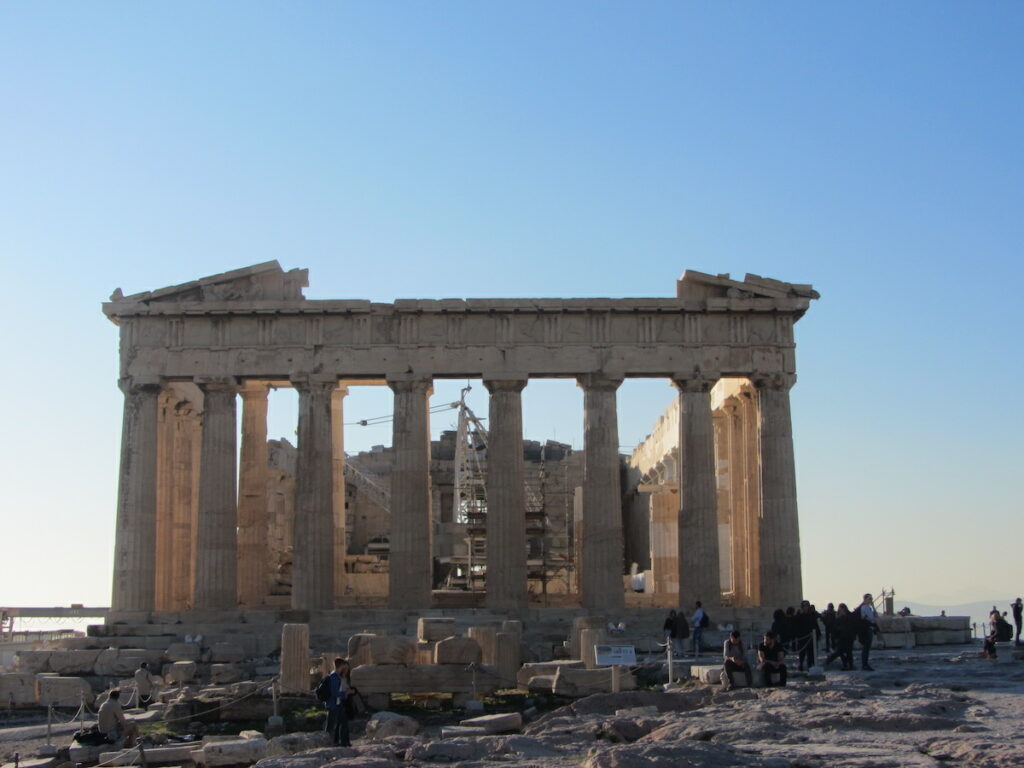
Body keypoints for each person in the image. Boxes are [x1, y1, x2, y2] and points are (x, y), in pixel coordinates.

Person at [323, 657, 351, 746]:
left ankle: (344, 742)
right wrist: (345, 693)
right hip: (333, 704)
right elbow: (334, 692)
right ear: (341, 666)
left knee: (344, 723)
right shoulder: (333, 677)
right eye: (344, 666)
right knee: (331, 726)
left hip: (339, 704)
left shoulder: (338, 676)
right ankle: (327, 742)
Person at [824, 603, 857, 670]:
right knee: (840, 652)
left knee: (848, 652)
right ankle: (846, 664)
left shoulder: (849, 617)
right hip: (841, 638)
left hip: (848, 637)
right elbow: (835, 628)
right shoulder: (839, 618)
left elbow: (853, 626)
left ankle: (849, 665)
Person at [794, 601, 821, 671]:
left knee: (811, 654)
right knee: (802, 653)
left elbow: (815, 626)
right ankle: (801, 665)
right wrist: (797, 636)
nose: (806, 607)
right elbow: (796, 628)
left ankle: (810, 666)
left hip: (811, 638)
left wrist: (817, 635)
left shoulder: (812, 616)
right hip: (802, 638)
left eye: (807, 606)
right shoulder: (799, 617)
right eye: (805, 606)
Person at [857, 593, 878, 671]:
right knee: (866, 647)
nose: (871, 600)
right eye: (869, 599)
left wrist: (873, 606)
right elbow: (871, 618)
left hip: (869, 628)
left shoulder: (869, 607)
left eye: (871, 599)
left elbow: (875, 616)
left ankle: (865, 664)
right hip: (866, 628)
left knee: (867, 648)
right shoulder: (864, 607)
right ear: (865, 599)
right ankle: (864, 665)